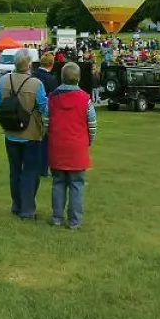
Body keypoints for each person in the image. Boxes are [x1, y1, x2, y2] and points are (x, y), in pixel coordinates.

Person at [0, 48, 48, 221]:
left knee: (14, 171)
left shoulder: (4, 80)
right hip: (31, 133)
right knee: (30, 172)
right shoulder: (36, 84)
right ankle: (28, 209)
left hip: (10, 133)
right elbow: (44, 107)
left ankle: (16, 205)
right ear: (30, 64)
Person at [47, 62, 97, 229]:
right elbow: (92, 125)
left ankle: (57, 218)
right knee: (77, 185)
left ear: (62, 77)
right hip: (77, 147)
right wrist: (88, 142)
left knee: (58, 183)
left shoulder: (52, 98)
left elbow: (46, 122)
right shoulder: (85, 100)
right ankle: (74, 222)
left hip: (57, 146)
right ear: (78, 78)